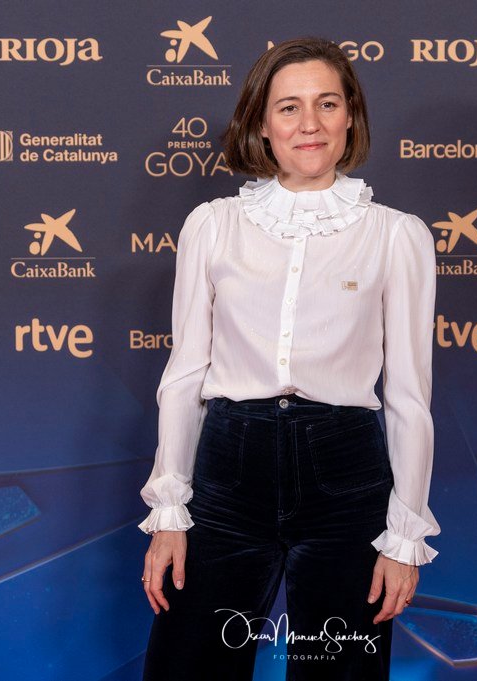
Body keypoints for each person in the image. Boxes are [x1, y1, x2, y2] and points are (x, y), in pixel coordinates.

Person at [137, 36, 440, 681]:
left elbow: (410, 397)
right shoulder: (213, 225)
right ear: (261, 124)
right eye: (289, 107)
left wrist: (404, 536)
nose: (309, 124)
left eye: (327, 104)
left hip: (346, 477)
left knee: (339, 672)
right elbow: (184, 376)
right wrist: (169, 512)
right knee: (188, 668)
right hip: (227, 472)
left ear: (350, 116)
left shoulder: (397, 235)